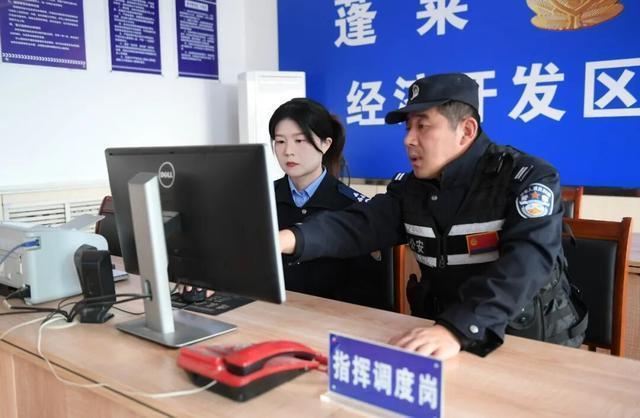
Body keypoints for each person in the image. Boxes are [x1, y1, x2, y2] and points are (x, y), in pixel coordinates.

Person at [279, 74, 587, 360]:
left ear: (466, 131)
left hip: (526, 340)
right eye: (407, 128)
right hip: (441, 333)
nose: (408, 139)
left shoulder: (525, 178)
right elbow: (358, 225)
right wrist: (287, 239)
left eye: (422, 126)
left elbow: (526, 262)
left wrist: (458, 329)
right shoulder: (413, 189)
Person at [270, 97, 391, 309]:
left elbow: (368, 295)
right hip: (269, 314)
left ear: (325, 144)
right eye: (280, 141)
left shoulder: (353, 207)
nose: (288, 151)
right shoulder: (264, 199)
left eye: (300, 141)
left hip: (330, 320)